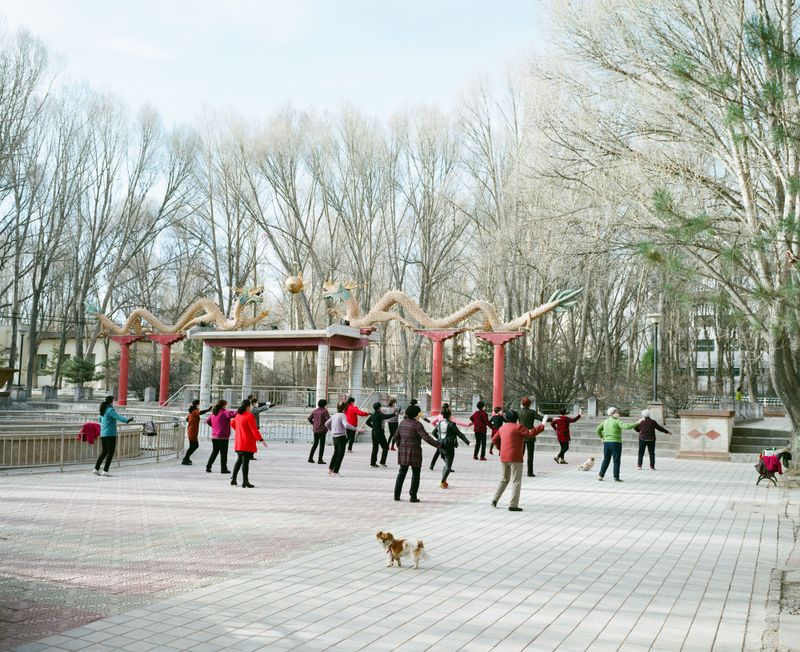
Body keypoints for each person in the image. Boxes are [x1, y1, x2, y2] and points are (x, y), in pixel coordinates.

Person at [490, 409, 545, 511]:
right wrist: (542, 425)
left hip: (504, 457)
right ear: (516, 418)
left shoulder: (502, 428)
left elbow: (494, 439)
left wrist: (500, 448)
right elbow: (530, 433)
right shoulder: (518, 427)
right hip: (515, 457)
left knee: (504, 479)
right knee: (516, 481)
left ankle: (494, 500)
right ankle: (513, 505)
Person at [394, 405, 441, 502]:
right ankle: (413, 496)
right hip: (415, 451)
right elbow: (426, 437)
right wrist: (439, 445)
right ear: (416, 414)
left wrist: (400, 446)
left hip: (403, 451)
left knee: (402, 472)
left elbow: (396, 437)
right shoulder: (417, 425)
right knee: (416, 474)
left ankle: (396, 495)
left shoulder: (402, 423)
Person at [93, 395, 133, 476]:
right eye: (114, 401)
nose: (114, 402)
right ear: (111, 401)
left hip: (103, 434)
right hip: (110, 434)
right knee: (110, 453)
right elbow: (117, 417)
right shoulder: (110, 410)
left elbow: (100, 420)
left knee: (104, 452)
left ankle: (96, 469)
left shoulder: (103, 410)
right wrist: (127, 420)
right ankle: (105, 471)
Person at [595, 407, 638, 482]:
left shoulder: (605, 421)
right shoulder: (617, 421)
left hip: (606, 443)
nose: (618, 413)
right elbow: (626, 427)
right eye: (616, 412)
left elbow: (597, 430)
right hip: (616, 443)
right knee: (616, 460)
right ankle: (616, 477)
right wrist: (637, 423)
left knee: (606, 459)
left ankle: (600, 475)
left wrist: (602, 437)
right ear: (612, 413)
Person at [230, 401, 266, 488]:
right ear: (247, 407)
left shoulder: (238, 415)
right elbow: (254, 429)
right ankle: (245, 481)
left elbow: (232, 423)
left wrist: (240, 431)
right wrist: (261, 439)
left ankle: (234, 479)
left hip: (239, 442)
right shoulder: (249, 416)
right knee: (245, 462)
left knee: (239, 461)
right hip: (246, 442)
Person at [435, 407, 470, 489]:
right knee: (448, 466)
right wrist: (468, 443)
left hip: (440, 445)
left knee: (446, 464)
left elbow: (434, 432)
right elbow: (460, 434)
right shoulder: (451, 424)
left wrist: (440, 439)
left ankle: (443, 481)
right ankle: (442, 481)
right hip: (448, 446)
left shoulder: (439, 423)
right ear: (450, 415)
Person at [429, 403, 471, 470]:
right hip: (448, 438)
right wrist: (467, 425)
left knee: (438, 452)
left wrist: (438, 428)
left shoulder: (440, 416)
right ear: (448, 408)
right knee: (445, 453)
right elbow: (459, 423)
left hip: (440, 438)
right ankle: (448, 467)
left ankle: (432, 465)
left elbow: (432, 422)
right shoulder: (450, 417)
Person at [326, 402, 357, 476]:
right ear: (344, 408)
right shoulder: (343, 415)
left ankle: (330, 469)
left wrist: (332, 430)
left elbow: (326, 424)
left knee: (336, 453)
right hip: (341, 436)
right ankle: (335, 472)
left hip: (334, 436)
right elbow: (346, 425)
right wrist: (355, 429)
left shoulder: (334, 415)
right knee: (340, 454)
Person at [205, 400, 236, 474]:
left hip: (214, 436)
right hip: (223, 437)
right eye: (226, 404)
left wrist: (215, 426)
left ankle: (208, 467)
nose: (226, 406)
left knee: (215, 452)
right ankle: (223, 469)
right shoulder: (224, 412)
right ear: (224, 405)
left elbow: (207, 421)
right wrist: (241, 410)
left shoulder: (214, 413)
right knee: (224, 453)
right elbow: (232, 414)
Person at [519, 397, 547, 477]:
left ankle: (519, 471)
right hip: (530, 434)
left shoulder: (519, 412)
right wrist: (552, 419)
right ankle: (530, 472)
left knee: (520, 454)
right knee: (530, 455)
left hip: (521, 435)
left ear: (522, 403)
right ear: (530, 404)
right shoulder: (532, 412)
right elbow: (540, 418)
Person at [182, 399, 211, 465]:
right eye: (199, 404)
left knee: (192, 446)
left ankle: (187, 458)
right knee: (195, 446)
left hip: (191, 431)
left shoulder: (191, 412)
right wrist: (208, 410)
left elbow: (187, 419)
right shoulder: (195, 411)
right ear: (196, 404)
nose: (199, 405)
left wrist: (193, 421)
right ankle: (185, 459)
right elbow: (200, 412)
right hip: (192, 432)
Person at [366, 401, 391, 467]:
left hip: (374, 432)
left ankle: (372, 463)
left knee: (375, 448)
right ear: (379, 408)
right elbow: (387, 416)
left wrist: (373, 427)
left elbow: (367, 422)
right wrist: (394, 414)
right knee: (385, 447)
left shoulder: (373, 415)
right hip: (379, 433)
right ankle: (382, 462)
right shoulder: (380, 414)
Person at [307, 399, 330, 464]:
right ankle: (320, 459)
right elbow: (328, 420)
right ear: (325, 404)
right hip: (322, 430)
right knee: (322, 445)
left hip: (315, 429)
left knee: (315, 444)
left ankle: (310, 458)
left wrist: (314, 424)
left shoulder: (315, 411)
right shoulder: (325, 411)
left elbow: (309, 419)